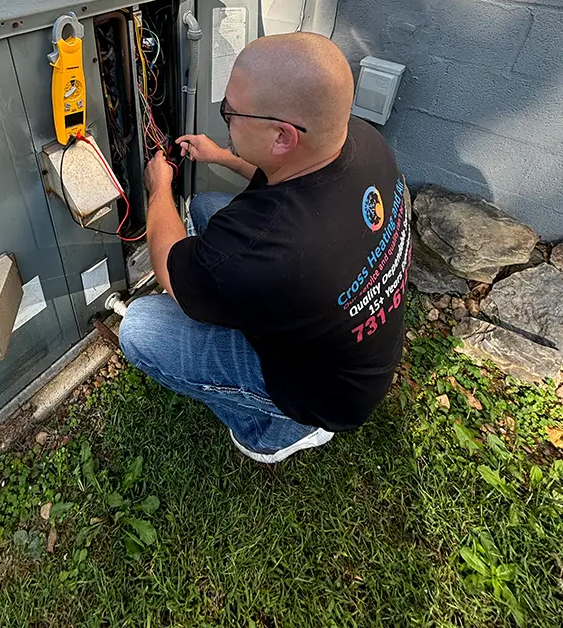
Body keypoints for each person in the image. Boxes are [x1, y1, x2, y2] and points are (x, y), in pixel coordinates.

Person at [118, 32, 411, 463]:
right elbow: (284, 176)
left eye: (230, 112)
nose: (225, 120)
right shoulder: (360, 140)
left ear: (282, 137)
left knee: (142, 327)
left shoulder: (270, 249)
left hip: (321, 394)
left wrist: (158, 188)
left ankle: (275, 432)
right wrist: (222, 156)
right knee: (206, 207)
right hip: (350, 352)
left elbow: (167, 266)